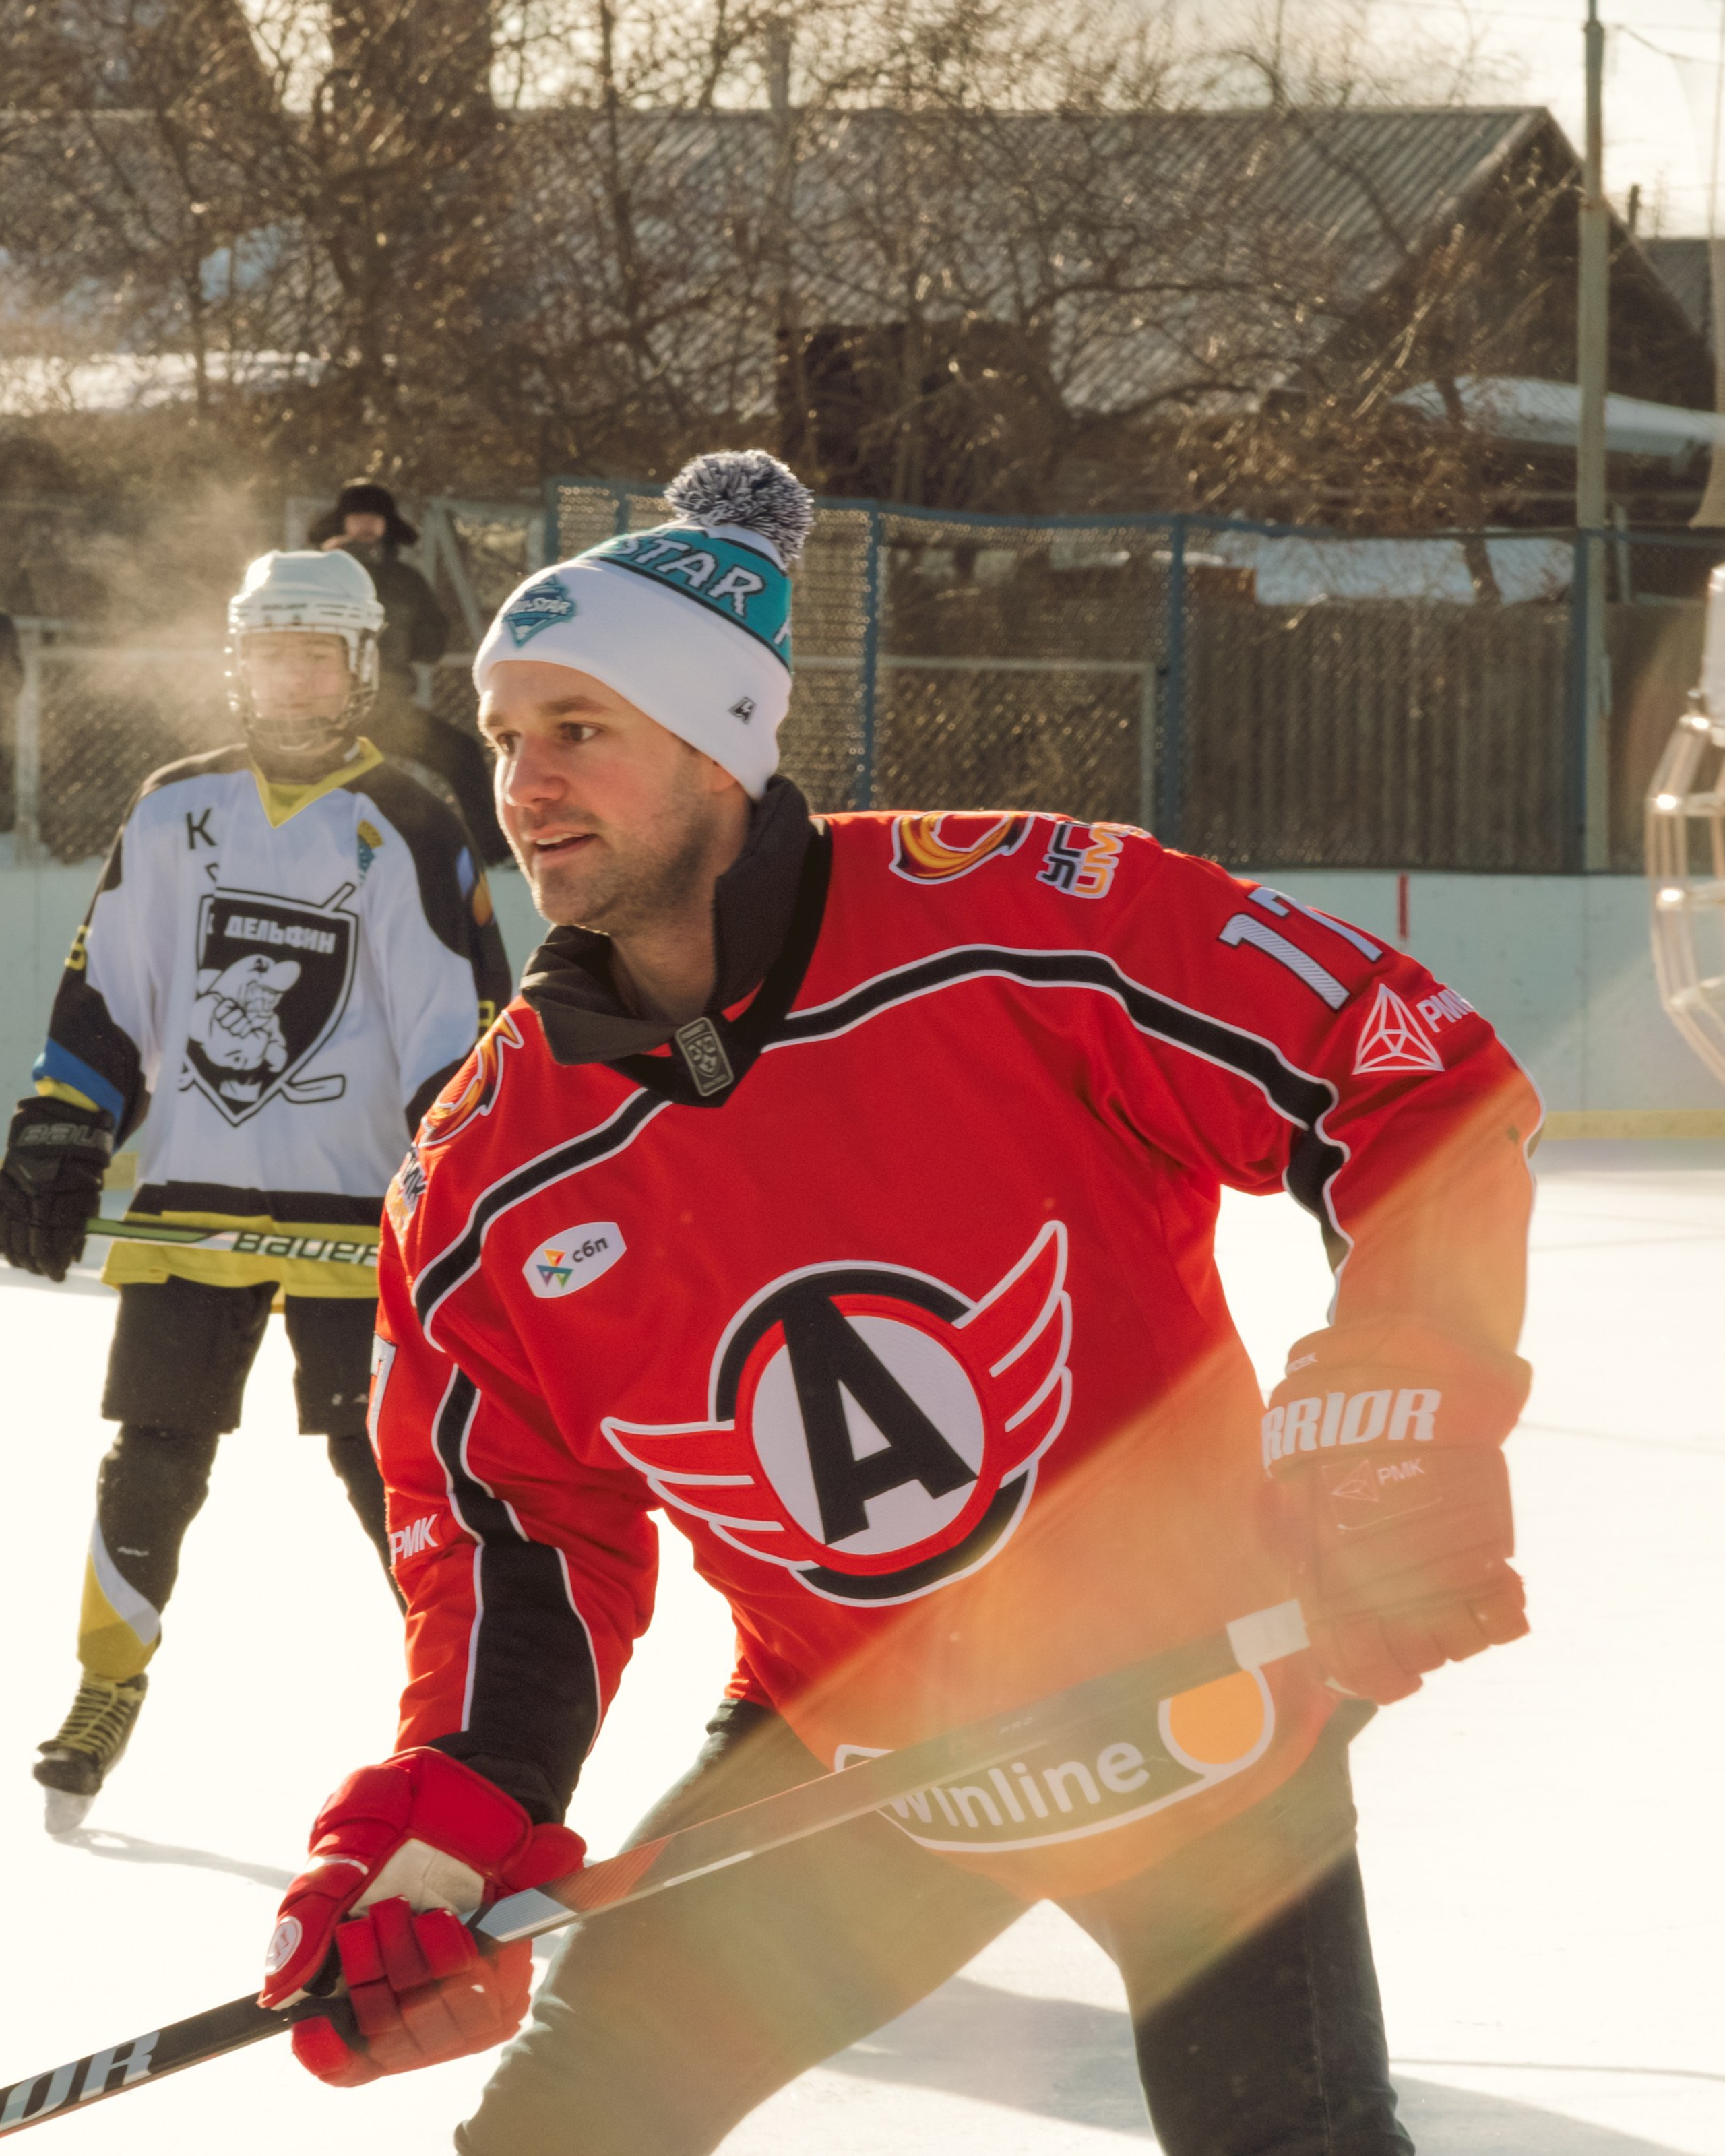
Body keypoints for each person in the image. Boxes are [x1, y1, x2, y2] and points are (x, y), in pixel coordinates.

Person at [257, 451, 1539, 2155]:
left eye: (581, 726)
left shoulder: (1013, 925)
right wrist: (451, 1823)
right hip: (853, 1758)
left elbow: (1403, 1079)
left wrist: (1387, 1407)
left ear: (718, 743)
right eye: (504, 736)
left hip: (1193, 1715)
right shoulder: (489, 1172)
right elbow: (514, 1530)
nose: (527, 780)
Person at [1, 547, 511, 1833]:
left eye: (317, 655)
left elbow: (464, 1036)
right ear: (241, 661)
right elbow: (109, 994)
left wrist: (467, 1191)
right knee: (153, 1457)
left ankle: (462, 1715)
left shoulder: (414, 821)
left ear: (359, 668)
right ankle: (105, 1687)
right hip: (195, 1194)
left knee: (383, 1467)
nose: (291, 679)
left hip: (360, 1219)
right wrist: (63, 1129)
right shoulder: (175, 809)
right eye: (272, 652)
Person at [310, 478, 507, 862]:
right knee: (326, 781)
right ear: (343, 522)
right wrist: (326, 565)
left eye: (375, 516)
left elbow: (430, 645)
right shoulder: (321, 572)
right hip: (331, 713)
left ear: (387, 524)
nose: (366, 523)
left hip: (391, 711)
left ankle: (495, 859)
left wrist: (420, 634)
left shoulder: (406, 579)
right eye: (357, 515)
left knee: (463, 755)